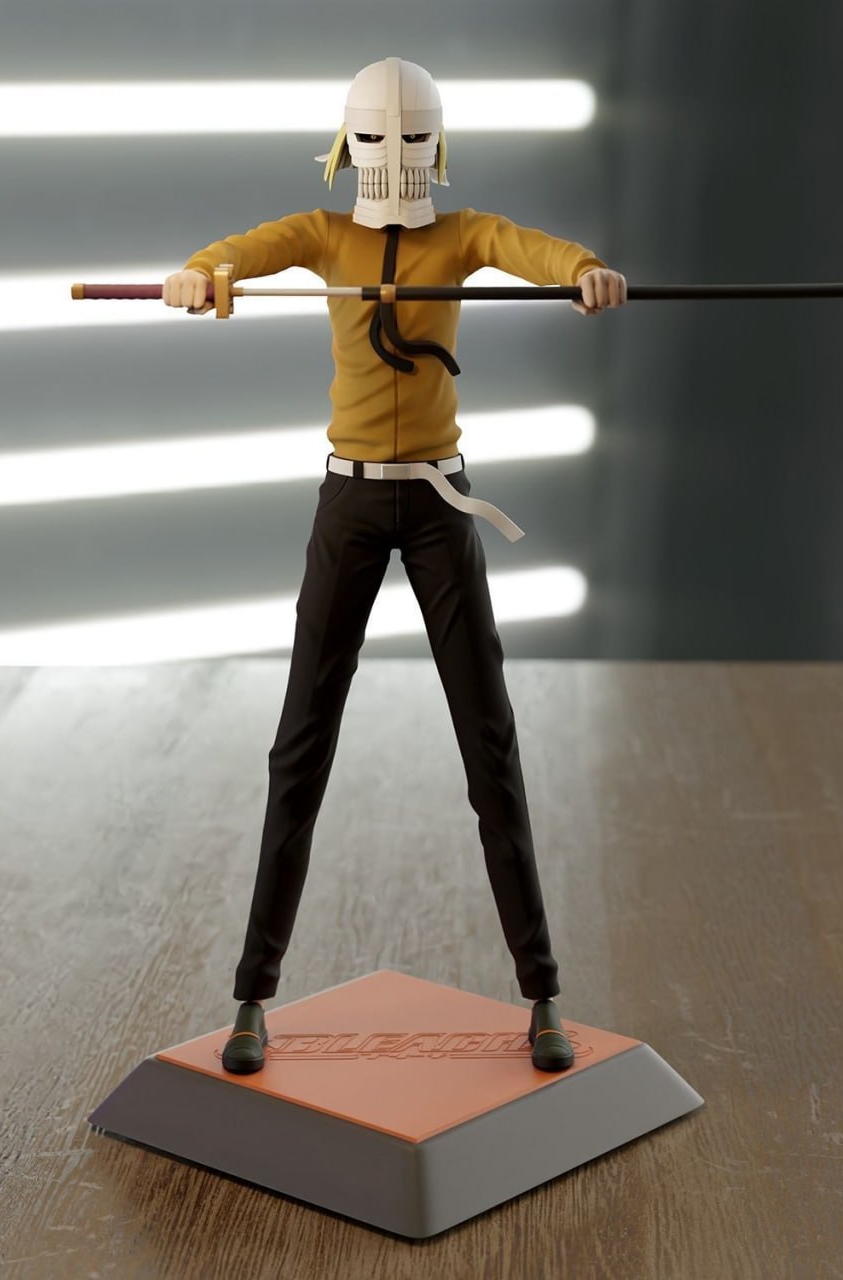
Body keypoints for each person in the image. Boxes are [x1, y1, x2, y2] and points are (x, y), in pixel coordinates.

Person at [162, 57, 627, 1074]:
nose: (395, 156)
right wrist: (202, 273)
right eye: (375, 137)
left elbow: (530, 249)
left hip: (438, 504)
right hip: (351, 501)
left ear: (440, 145)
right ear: (344, 146)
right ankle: (251, 995)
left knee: (488, 742)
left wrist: (585, 270)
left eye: (414, 137)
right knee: (300, 742)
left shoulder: (458, 236)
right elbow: (246, 250)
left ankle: (543, 991)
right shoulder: (325, 235)